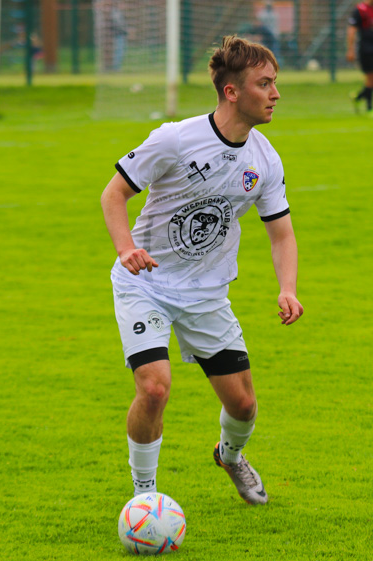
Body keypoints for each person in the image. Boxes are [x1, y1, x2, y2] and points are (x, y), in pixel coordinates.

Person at [101, 35, 304, 506]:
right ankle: (145, 497)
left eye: (275, 83)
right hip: (145, 284)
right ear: (232, 91)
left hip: (206, 293)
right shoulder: (175, 138)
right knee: (154, 387)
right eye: (265, 84)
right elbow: (113, 194)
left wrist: (287, 288)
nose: (275, 94)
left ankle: (230, 455)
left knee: (244, 405)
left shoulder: (265, 159)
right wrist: (125, 247)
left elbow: (282, 233)